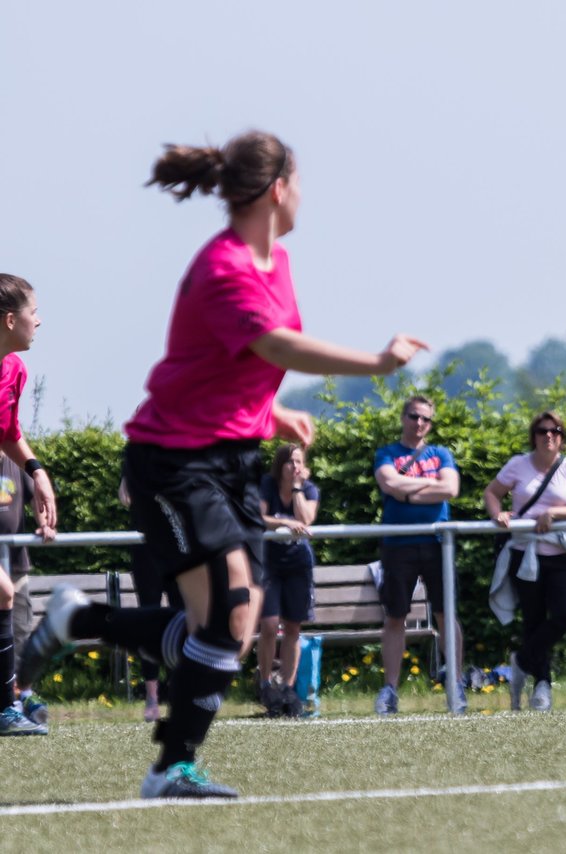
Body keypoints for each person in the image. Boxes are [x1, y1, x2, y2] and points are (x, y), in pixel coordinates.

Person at [18, 130, 427, 798]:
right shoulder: (225, 267)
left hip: (225, 461)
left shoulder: (277, 262)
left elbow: (228, 375)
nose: (303, 195)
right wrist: (377, 363)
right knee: (232, 609)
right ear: (277, 189)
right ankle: (170, 767)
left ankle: (80, 623)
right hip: (175, 463)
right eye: (299, 182)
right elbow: (273, 343)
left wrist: (271, 419)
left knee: (228, 631)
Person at [484, 411, 566, 712]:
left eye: (556, 430)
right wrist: (499, 514)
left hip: (560, 554)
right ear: (533, 435)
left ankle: (520, 661)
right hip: (525, 554)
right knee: (532, 621)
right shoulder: (518, 464)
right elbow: (492, 493)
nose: (550, 435)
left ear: (562, 437)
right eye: (543, 430)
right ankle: (542, 684)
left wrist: (556, 514)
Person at [372, 395, 462, 715]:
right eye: (414, 416)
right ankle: (390, 690)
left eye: (426, 419)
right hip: (398, 544)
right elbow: (388, 482)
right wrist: (426, 486)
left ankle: (455, 686)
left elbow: (450, 489)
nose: (420, 423)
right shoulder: (387, 453)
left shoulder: (441, 453)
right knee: (395, 615)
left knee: (444, 614)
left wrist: (406, 491)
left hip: (438, 542)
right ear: (403, 417)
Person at [0, 275, 57, 737]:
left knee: (4, 593)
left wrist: (37, 472)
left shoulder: (15, 370)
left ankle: (6, 707)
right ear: (10, 319)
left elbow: (10, 432)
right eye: (34, 311)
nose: (40, 320)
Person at [256, 443, 319, 717]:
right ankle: (266, 684)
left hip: (298, 565)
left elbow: (306, 519)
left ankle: (288, 690)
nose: (294, 467)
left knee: (293, 627)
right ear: (280, 464)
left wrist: (296, 490)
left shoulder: (309, 489)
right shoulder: (266, 485)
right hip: (268, 564)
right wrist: (284, 523)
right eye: (290, 461)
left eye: (299, 462)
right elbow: (257, 517)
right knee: (269, 625)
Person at [118, 476, 184, 723]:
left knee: (182, 620)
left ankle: (179, 694)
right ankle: (152, 698)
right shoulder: (137, 459)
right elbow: (125, 497)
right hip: (146, 553)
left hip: (177, 551)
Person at [2, 449, 52, 733]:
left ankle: (23, 695)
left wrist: (43, 523)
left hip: (16, 563)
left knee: (20, 630)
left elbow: (37, 496)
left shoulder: (16, 462)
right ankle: (7, 700)